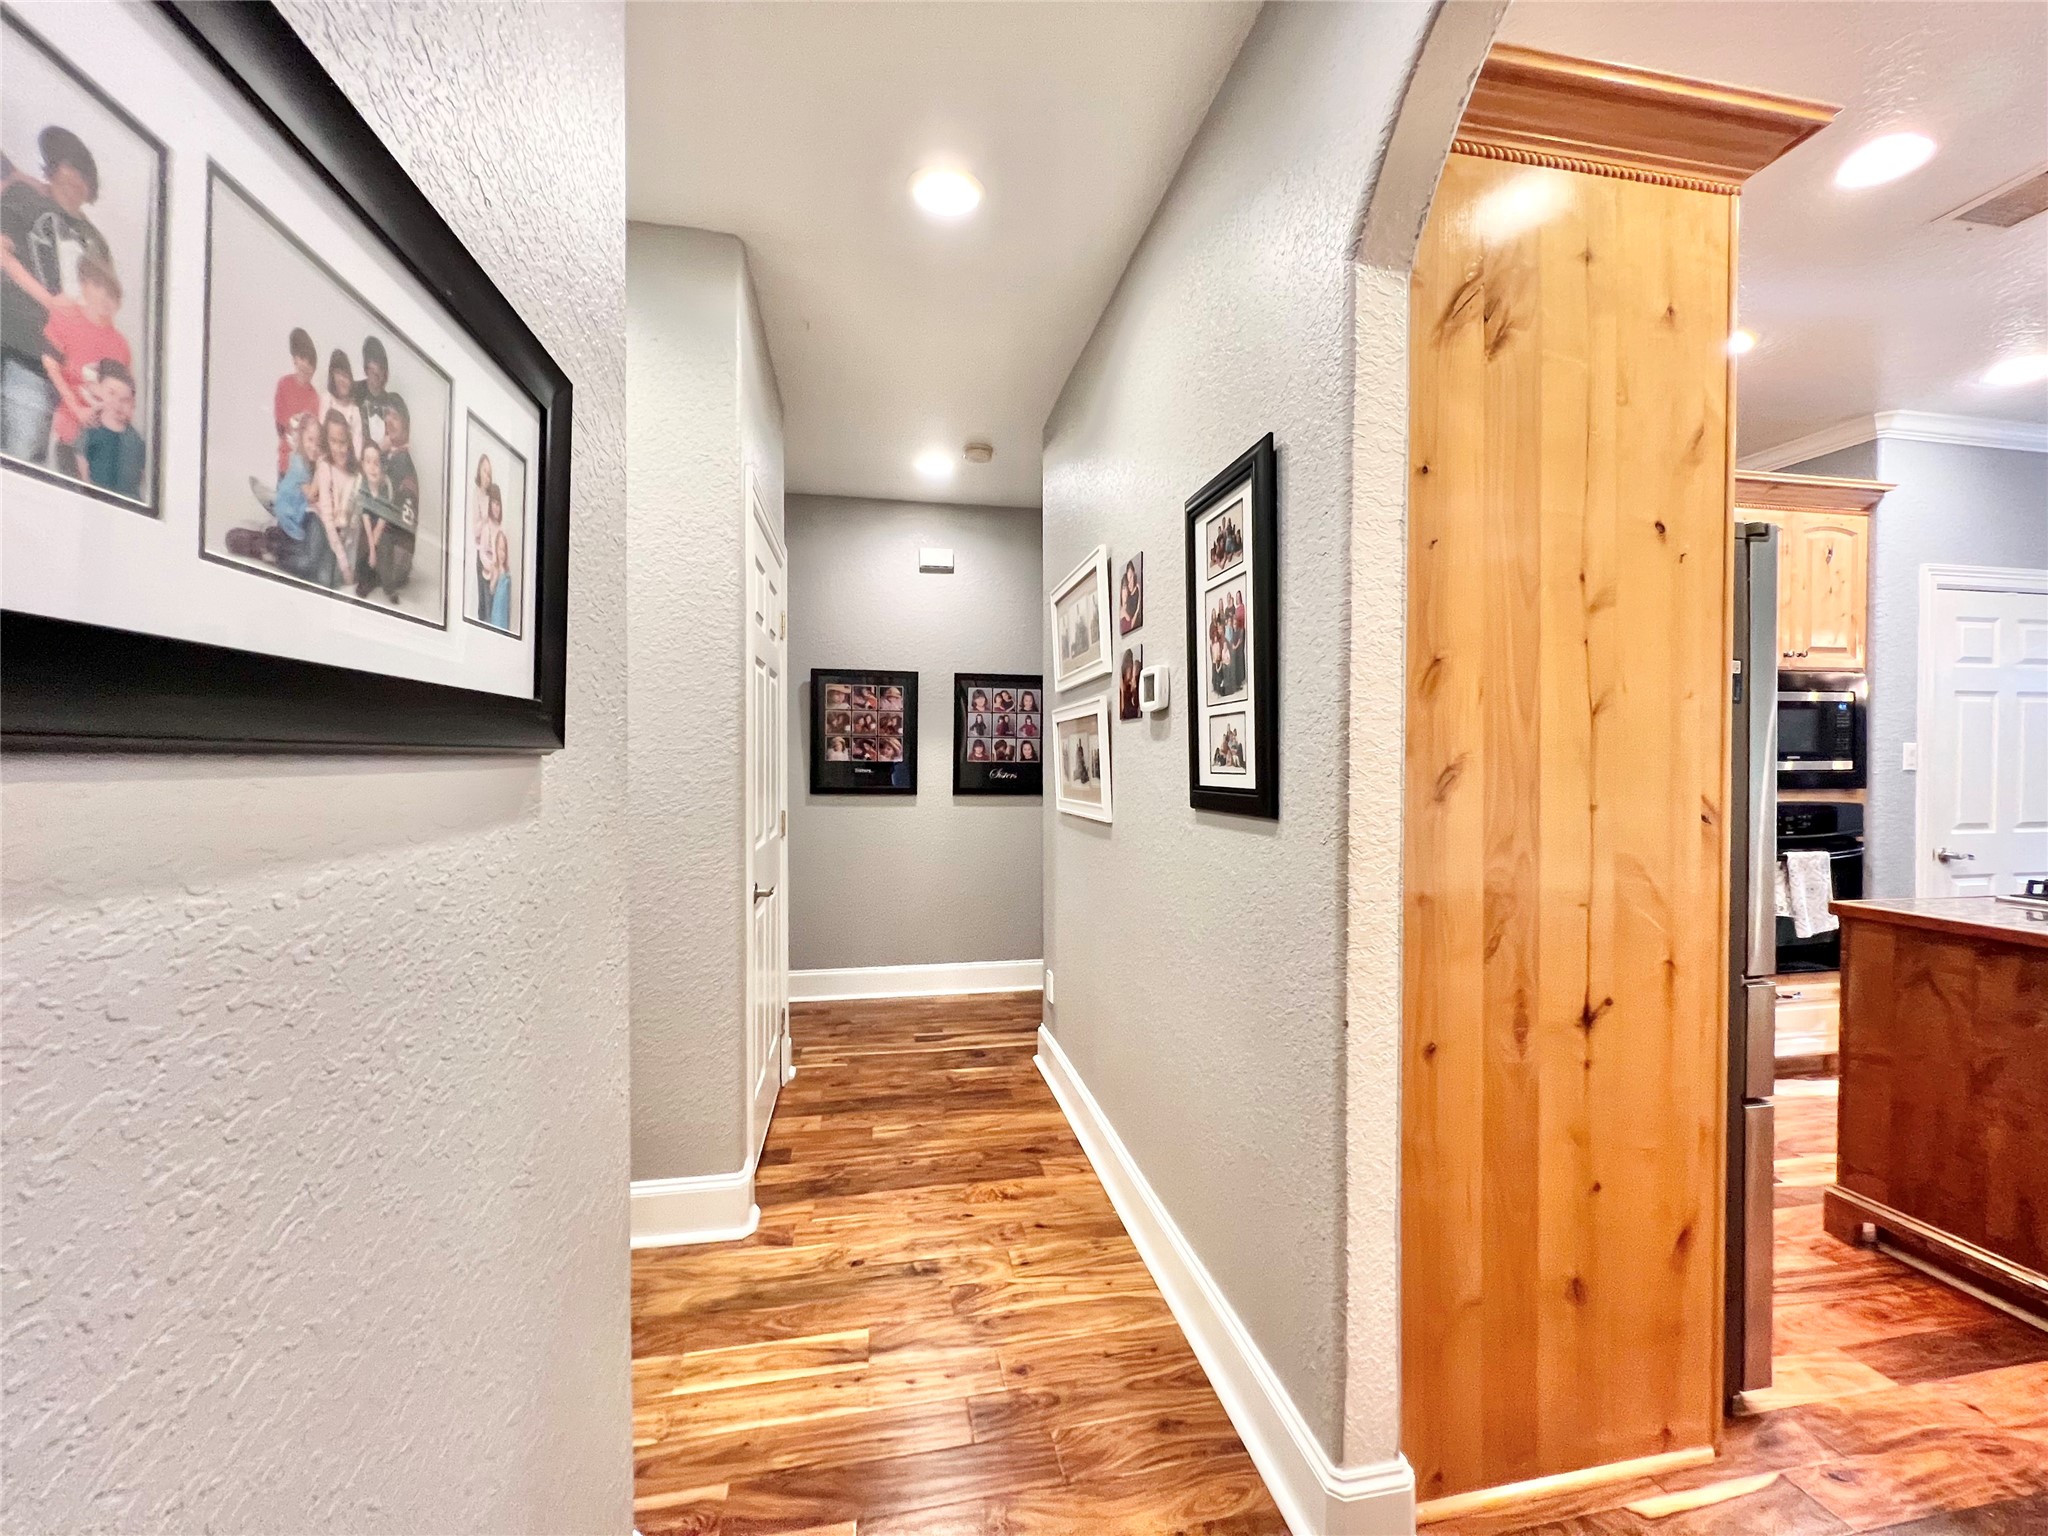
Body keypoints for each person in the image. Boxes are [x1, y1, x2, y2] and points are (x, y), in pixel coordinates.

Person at [2, 126, 108, 462]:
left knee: (37, 462)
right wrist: (50, 300)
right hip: (20, 352)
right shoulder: (23, 199)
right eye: (65, 165)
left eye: (80, 172)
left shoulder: (95, 239)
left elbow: (103, 314)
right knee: (19, 454)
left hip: (66, 372)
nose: (74, 178)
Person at [41, 254, 130, 479]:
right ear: (84, 285)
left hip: (102, 439)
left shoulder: (120, 345)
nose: (104, 298)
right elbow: (50, 365)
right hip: (67, 429)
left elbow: (124, 395)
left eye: (112, 294)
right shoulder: (66, 318)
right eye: (98, 286)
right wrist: (77, 409)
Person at [370, 396, 419, 599]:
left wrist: (377, 450)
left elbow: (380, 506)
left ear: (406, 427)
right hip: (398, 561)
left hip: (392, 561)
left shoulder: (400, 463)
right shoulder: (395, 457)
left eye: (395, 417)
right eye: (386, 416)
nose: (389, 421)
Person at [75, 357, 143, 497]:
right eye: (111, 393)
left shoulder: (135, 439)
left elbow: (140, 474)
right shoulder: (91, 431)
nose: (117, 404)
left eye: (125, 400)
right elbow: (82, 464)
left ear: (133, 405)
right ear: (99, 392)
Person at [309, 408, 360, 587]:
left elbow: (353, 528)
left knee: (333, 579)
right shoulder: (325, 466)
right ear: (327, 441)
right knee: (322, 575)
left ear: (349, 441)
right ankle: (268, 544)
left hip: (340, 537)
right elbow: (329, 520)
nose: (339, 448)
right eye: (333, 441)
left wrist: (348, 563)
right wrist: (345, 566)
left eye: (343, 442)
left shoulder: (355, 475)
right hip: (321, 527)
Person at [273, 329, 319, 476]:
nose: (306, 366)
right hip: (286, 464)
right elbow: (280, 427)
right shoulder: (284, 384)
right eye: (302, 359)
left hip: (306, 469)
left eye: (311, 362)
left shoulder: (316, 398)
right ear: (294, 359)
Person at [353, 335, 404, 452]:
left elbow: (399, 438)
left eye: (380, 370)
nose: (377, 375)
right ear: (366, 369)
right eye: (372, 371)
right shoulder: (354, 391)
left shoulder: (392, 402)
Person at [323, 349, 363, 456]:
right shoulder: (327, 400)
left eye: (345, 375)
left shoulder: (355, 411)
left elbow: (357, 451)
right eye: (338, 374)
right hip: (326, 459)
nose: (342, 380)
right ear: (332, 377)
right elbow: (321, 437)